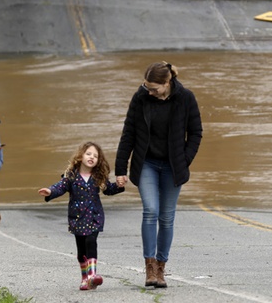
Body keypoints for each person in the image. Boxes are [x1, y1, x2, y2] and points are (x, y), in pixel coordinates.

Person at [115, 61, 203, 289]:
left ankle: (162, 267)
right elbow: (128, 133)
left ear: (167, 83)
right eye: (147, 87)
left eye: (154, 88)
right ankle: (150, 267)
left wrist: (184, 160)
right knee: (150, 211)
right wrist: (120, 169)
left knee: (166, 217)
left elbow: (195, 133)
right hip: (147, 164)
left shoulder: (186, 98)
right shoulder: (140, 98)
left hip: (174, 166)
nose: (150, 92)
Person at [39, 142, 125, 291]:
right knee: (81, 251)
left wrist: (119, 185)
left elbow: (108, 190)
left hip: (94, 216)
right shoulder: (71, 175)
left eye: (95, 156)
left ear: (99, 160)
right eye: (88, 154)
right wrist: (50, 191)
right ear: (80, 156)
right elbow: (60, 186)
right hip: (77, 217)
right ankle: (85, 279)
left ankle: (92, 276)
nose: (92, 157)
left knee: (91, 241)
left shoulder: (98, 177)